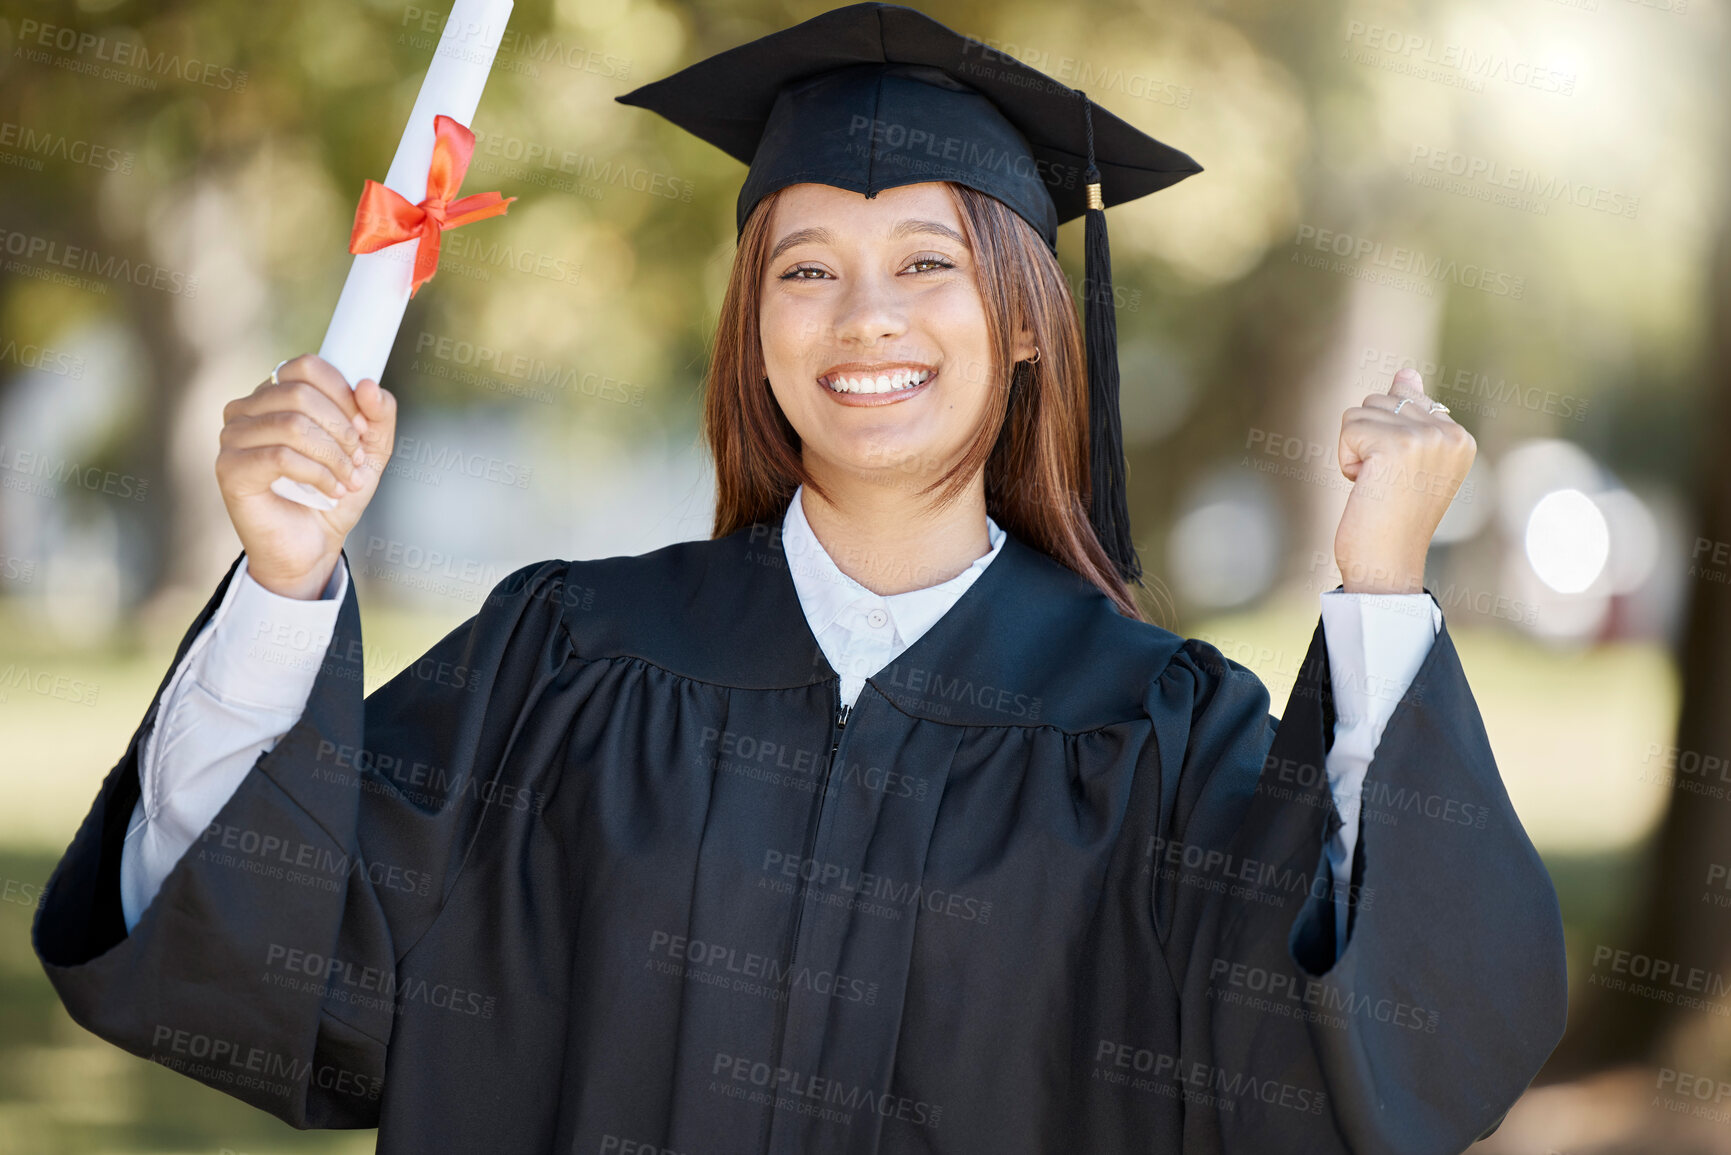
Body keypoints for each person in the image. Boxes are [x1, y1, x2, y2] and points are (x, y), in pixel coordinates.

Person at [33, 4, 1567, 1153]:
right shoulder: (567, 657)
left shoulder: (1162, 738)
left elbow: (1386, 1057)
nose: (863, 318)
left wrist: (1376, 594)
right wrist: (286, 585)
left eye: (928, 263)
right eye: (807, 266)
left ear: (1029, 319)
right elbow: (263, 962)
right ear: (751, 323)